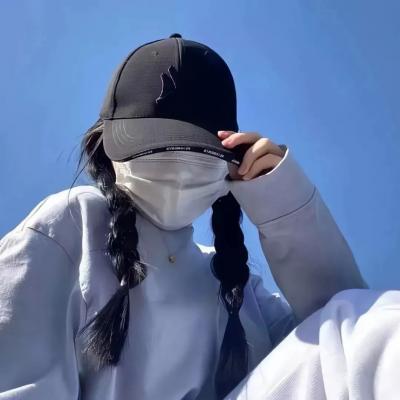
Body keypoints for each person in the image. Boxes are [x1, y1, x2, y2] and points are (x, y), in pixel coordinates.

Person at [0, 33, 368, 400]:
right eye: (153, 149)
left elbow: (349, 342)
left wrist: (282, 201)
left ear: (232, 168)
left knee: (378, 322)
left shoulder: (238, 288)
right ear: (105, 148)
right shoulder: (74, 223)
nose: (177, 172)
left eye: (197, 156)